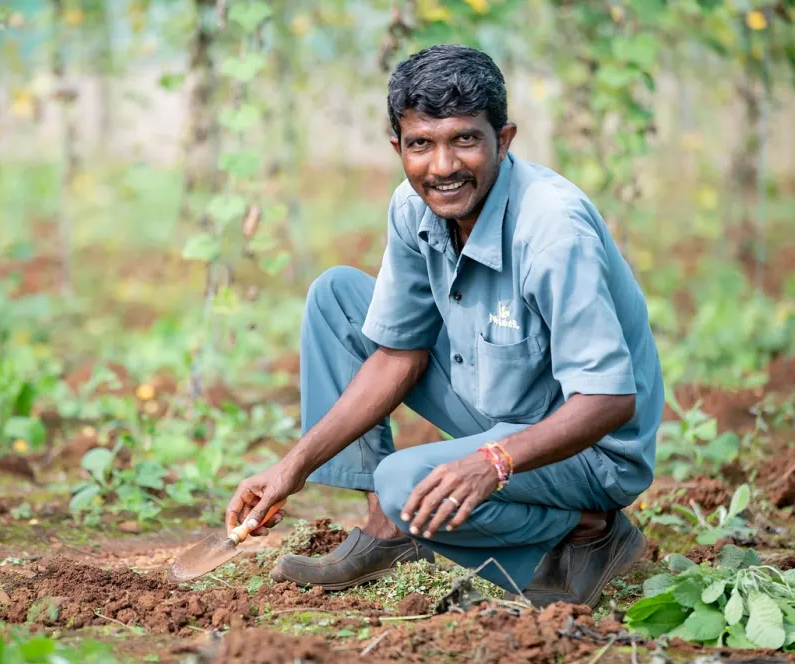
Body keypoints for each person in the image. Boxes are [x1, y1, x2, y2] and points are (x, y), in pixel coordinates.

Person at [224, 44, 663, 608]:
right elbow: (397, 354)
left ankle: (589, 530)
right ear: (398, 148)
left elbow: (608, 399)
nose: (442, 167)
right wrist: (292, 467)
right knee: (337, 297)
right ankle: (386, 530)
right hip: (502, 398)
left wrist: (493, 462)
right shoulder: (414, 207)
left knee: (405, 481)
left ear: (503, 140)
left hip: (591, 445)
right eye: (420, 145)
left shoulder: (552, 230)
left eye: (464, 139)